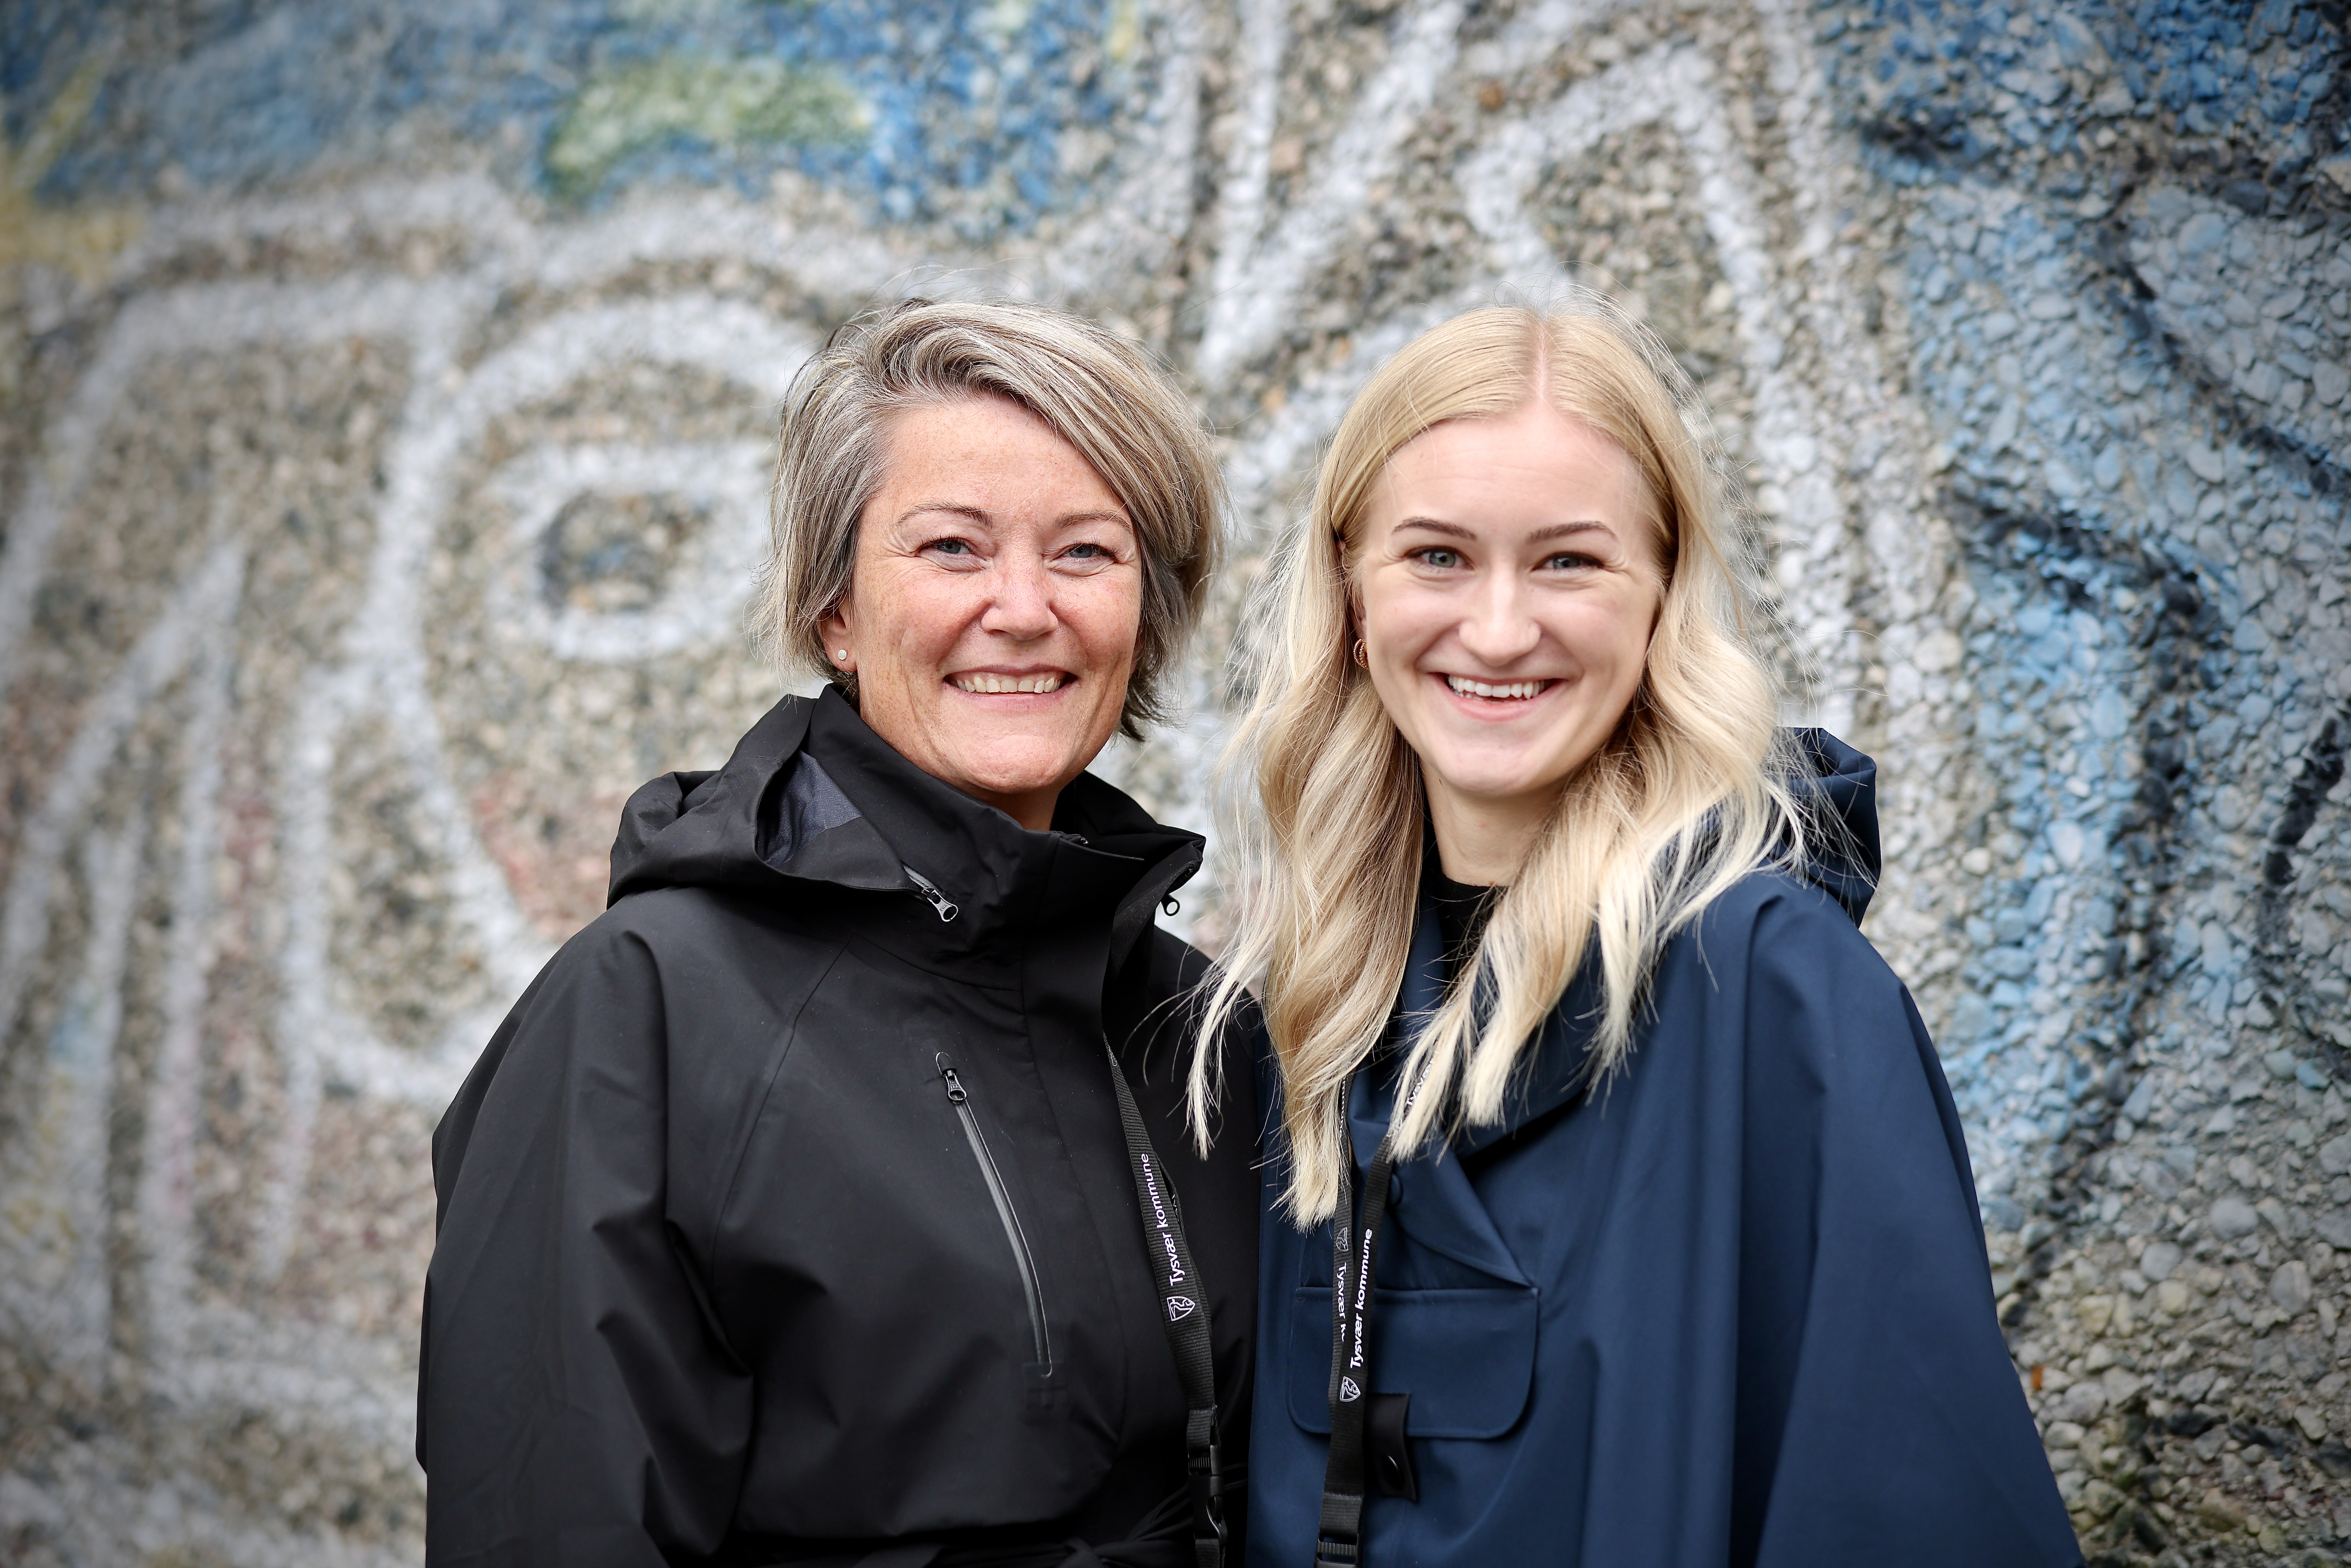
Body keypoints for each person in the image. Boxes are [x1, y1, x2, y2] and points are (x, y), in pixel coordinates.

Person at [1196, 298, 2078, 1566]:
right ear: (1348, 592)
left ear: (1661, 594)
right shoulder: (1290, 1008)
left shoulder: (1777, 994)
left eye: (1568, 561)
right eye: (1436, 557)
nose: (1497, 630)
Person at [418, 299, 1256, 1567]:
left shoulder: (1193, 1033)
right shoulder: (647, 1014)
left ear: (1145, 611)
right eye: (952, 548)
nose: (1022, 608)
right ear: (836, 613)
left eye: (1085, 552)